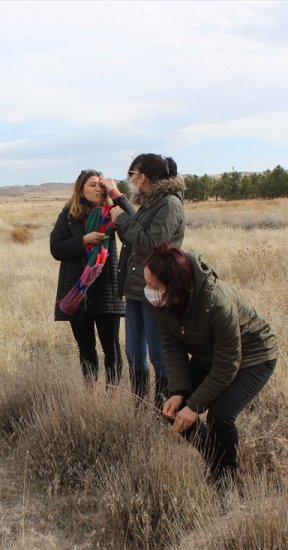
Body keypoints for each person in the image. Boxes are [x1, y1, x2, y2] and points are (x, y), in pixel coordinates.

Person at [143, 241, 277, 484]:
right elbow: (173, 348)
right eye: (147, 283)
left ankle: (227, 480)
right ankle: (216, 462)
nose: (148, 289)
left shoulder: (216, 301)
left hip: (254, 356)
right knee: (172, 408)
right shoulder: (164, 303)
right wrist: (179, 391)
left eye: (154, 285)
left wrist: (194, 406)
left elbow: (228, 364)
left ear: (174, 286)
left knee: (220, 416)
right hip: (211, 356)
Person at [109, 154, 186, 411]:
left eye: (133, 174)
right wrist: (121, 223)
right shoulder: (150, 202)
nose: (131, 179)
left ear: (143, 176)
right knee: (134, 352)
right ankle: (140, 407)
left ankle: (163, 411)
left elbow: (155, 246)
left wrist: (122, 220)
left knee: (158, 354)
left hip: (155, 289)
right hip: (135, 288)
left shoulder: (169, 204)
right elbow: (136, 239)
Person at [50, 169, 133, 385]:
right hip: (78, 291)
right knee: (86, 349)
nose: (97, 188)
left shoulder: (112, 212)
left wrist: (118, 197)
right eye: (92, 184)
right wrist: (83, 240)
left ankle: (113, 396)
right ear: (81, 188)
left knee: (112, 348)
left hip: (105, 288)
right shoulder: (68, 214)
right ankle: (92, 396)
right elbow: (56, 248)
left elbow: (136, 227)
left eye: (100, 185)